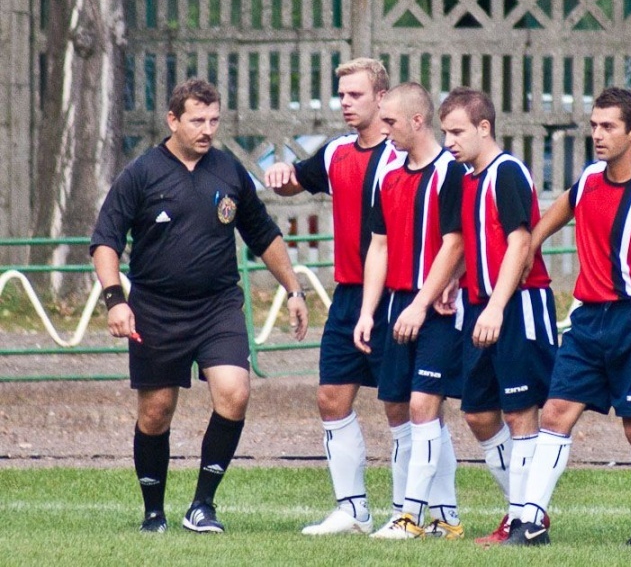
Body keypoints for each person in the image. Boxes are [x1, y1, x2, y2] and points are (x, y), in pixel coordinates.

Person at [90, 78, 310, 534]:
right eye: (197, 120)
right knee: (156, 411)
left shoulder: (228, 170)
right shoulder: (142, 173)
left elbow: (262, 234)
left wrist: (294, 289)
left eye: (213, 120)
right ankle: (154, 513)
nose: (207, 129)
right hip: (155, 307)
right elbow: (105, 241)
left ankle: (202, 506)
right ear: (173, 120)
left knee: (235, 391)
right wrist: (116, 300)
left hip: (218, 306)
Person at [505, 87, 631, 547]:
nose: (597, 134)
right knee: (555, 412)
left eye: (608, 126)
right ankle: (530, 523)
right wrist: (526, 252)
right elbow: (545, 225)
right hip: (588, 320)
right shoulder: (590, 179)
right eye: (594, 125)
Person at [264, 58, 409, 535]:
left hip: (396, 298)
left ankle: (410, 511)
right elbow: (295, 183)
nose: (346, 103)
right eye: (342, 94)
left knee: (401, 405)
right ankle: (353, 510)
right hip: (348, 295)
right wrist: (282, 173)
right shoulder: (335, 152)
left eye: (356, 94)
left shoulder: (404, 156)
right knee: (331, 397)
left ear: (382, 98)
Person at [437, 87, 557, 544]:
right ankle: (527, 509)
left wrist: (496, 305)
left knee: (520, 413)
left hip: (517, 305)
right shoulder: (468, 178)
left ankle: (524, 520)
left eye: (457, 132)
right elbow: (479, 241)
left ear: (484, 128)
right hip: (481, 304)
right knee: (478, 414)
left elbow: (520, 242)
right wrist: (458, 277)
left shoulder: (507, 172)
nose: (449, 141)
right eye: (444, 132)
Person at [353, 82, 466, 539]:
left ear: (418, 122)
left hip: (435, 307)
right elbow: (378, 246)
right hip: (397, 306)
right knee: (400, 410)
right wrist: (367, 311)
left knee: (424, 406)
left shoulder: (450, 173)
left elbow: (454, 242)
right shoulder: (388, 172)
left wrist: (423, 303)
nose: (384, 130)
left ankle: (410, 517)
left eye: (391, 122)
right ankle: (447, 518)